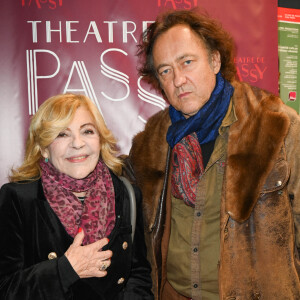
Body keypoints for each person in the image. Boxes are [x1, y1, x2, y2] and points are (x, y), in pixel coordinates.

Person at [127, 8, 300, 300]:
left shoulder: (277, 126)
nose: (178, 80)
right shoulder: (149, 145)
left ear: (215, 60)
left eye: (187, 62)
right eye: (166, 70)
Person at [0, 93, 154, 300]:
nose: (78, 143)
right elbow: (6, 288)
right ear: (44, 148)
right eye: (62, 134)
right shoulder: (18, 199)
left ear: (100, 140)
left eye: (87, 131)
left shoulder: (126, 194)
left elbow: (137, 275)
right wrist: (65, 269)